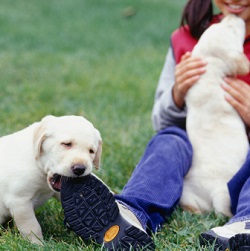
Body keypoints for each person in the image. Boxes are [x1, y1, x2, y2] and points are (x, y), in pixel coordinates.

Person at [60, 0, 250, 250]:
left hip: (242, 159)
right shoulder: (186, 38)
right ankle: (130, 214)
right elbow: (160, 120)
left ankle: (245, 224)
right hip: (196, 149)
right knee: (169, 140)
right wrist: (177, 92)